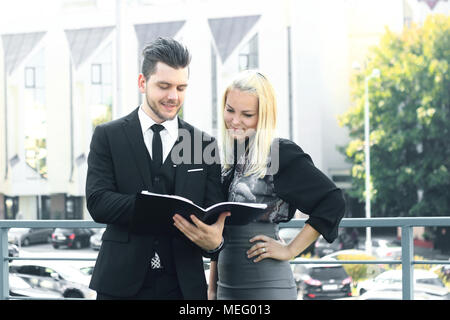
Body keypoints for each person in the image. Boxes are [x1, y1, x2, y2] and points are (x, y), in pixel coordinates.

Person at [86, 37, 229, 300]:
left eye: (181, 87)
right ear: (143, 83)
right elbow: (97, 202)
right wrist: (155, 209)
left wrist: (215, 243)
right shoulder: (108, 135)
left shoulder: (203, 144)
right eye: (164, 86)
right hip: (120, 284)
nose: (173, 96)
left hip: (184, 286)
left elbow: (213, 215)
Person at [205, 70, 346, 300]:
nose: (235, 120)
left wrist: (290, 249)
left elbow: (332, 201)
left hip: (266, 286)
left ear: (264, 116)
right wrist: (212, 289)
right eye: (230, 110)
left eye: (247, 114)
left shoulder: (279, 153)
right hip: (226, 287)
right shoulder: (231, 158)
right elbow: (218, 228)